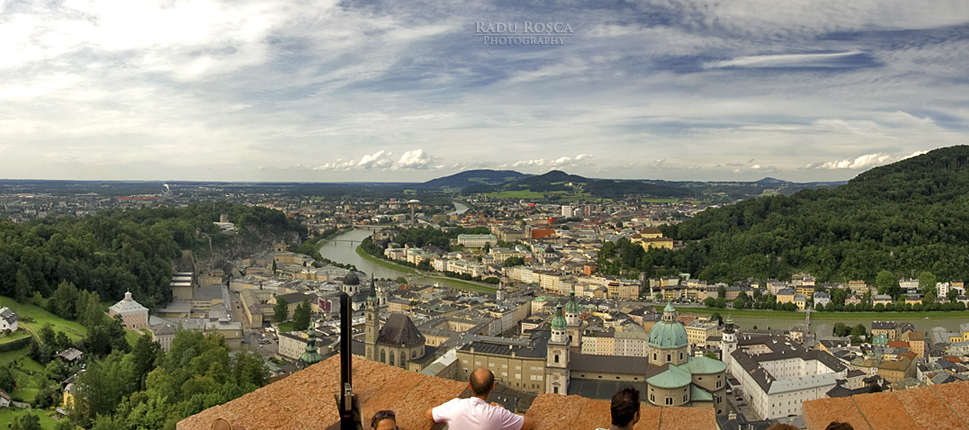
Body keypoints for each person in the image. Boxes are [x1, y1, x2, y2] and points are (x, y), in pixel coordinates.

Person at [425, 368, 535, 430]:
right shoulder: (497, 414)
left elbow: (429, 414)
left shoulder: (454, 406)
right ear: (493, 387)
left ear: (469, 386)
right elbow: (529, 424)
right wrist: (503, 410)